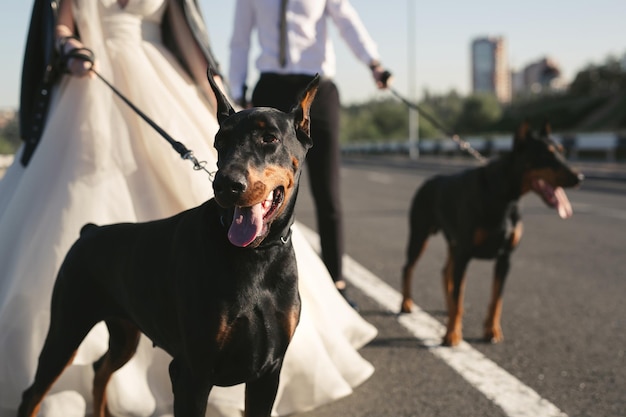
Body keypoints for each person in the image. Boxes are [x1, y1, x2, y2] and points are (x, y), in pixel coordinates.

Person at [0, 1, 377, 416]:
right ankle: (30, 405)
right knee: (149, 360)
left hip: (163, 74)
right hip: (93, 78)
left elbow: (190, 41)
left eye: (269, 143)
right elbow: (62, 27)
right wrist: (71, 48)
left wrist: (214, 85)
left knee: (257, 365)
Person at [228, 0, 391, 308]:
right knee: (262, 192)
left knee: (328, 193)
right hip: (269, 91)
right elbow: (239, 39)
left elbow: (347, 22)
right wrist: (237, 89)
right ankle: (257, 285)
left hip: (316, 89)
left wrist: (374, 64)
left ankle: (336, 283)